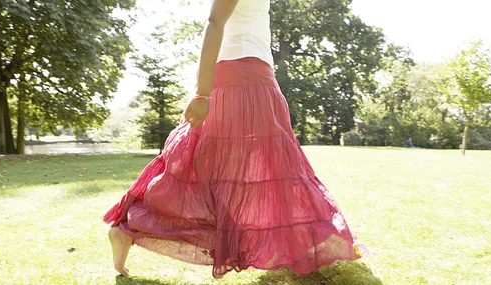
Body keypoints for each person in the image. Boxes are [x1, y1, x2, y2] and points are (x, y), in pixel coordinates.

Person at [103, 0, 366, 279]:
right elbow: (215, 23)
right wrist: (202, 94)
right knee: (233, 172)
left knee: (267, 170)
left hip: (257, 77)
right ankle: (128, 228)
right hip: (240, 80)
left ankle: (312, 244)